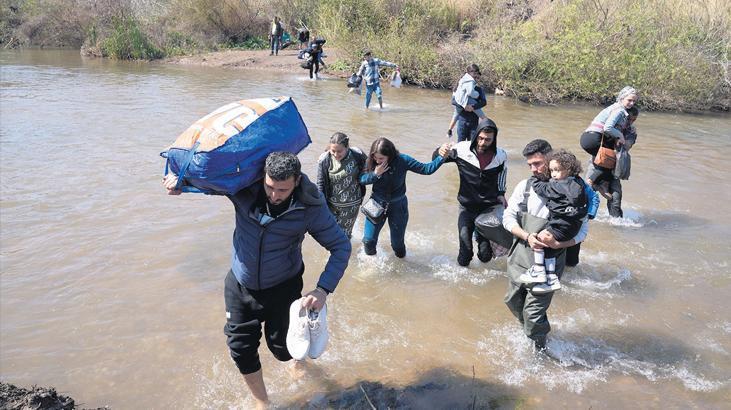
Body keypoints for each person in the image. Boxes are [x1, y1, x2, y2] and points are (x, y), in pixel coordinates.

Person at [163, 152, 351, 409]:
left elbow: (341, 246)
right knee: (240, 348)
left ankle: (298, 361)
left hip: (283, 286)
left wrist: (322, 290)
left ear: (296, 181)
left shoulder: (310, 207)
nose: (274, 195)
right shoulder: (243, 189)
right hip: (241, 284)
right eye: (270, 187)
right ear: (263, 177)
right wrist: (181, 183)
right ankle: (261, 401)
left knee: (283, 349)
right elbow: (210, 181)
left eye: (282, 190)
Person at [502, 139, 588, 351]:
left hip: (550, 262)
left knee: (533, 313)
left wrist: (560, 243)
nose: (534, 169)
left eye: (538, 163)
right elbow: (508, 218)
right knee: (513, 302)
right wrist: (527, 235)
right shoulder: (525, 187)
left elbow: (583, 230)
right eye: (530, 164)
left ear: (550, 158)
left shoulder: (573, 189)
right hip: (519, 257)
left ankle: (540, 350)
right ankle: (532, 333)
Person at [435, 119, 509, 266]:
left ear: (494, 139)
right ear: (476, 136)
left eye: (488, 140)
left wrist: (501, 193)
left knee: (485, 256)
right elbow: (436, 160)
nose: (482, 143)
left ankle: (480, 234)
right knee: (465, 254)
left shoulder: (500, 155)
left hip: (488, 209)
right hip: (466, 207)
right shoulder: (461, 149)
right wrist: (439, 151)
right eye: (480, 138)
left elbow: (502, 174)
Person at [360, 137, 446, 257]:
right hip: (376, 203)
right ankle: (372, 267)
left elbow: (426, 169)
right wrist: (375, 174)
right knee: (368, 242)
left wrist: (441, 157)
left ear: (390, 155)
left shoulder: (403, 160)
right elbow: (362, 180)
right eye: (375, 157)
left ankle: (403, 266)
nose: (377, 161)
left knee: (397, 245)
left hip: (398, 206)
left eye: (381, 158)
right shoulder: (372, 162)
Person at [519, 149, 587, 294]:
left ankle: (539, 270)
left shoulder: (559, 185)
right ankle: (551, 278)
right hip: (573, 226)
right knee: (549, 247)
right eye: (551, 170)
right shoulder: (579, 183)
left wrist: (535, 181)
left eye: (557, 170)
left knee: (540, 238)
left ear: (568, 169)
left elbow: (543, 189)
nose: (553, 174)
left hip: (562, 225)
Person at [580, 86, 638, 188]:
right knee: (610, 161)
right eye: (629, 100)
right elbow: (608, 128)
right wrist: (621, 137)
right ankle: (592, 182)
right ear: (622, 98)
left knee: (604, 162)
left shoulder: (614, 108)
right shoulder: (619, 110)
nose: (632, 103)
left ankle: (596, 183)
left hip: (589, 137)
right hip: (593, 138)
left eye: (634, 101)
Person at [316, 132, 367, 238]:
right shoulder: (324, 160)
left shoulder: (357, 155)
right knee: (330, 233)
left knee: (344, 236)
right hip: (331, 204)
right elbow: (320, 183)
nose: (336, 154)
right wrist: (320, 205)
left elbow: (369, 168)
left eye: (339, 151)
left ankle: (346, 253)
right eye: (333, 151)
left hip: (351, 205)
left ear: (347, 147)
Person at [447, 64, 487, 141]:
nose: (477, 79)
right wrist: (465, 106)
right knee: (460, 144)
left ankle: (490, 126)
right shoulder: (461, 86)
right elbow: (453, 101)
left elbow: (484, 102)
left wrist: (473, 107)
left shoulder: (479, 89)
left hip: (474, 122)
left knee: (472, 144)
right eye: (476, 77)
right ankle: (449, 130)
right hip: (462, 121)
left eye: (478, 77)